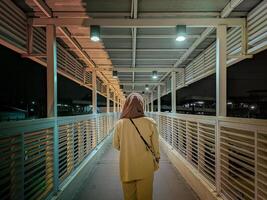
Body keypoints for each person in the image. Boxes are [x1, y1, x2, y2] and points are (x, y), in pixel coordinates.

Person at [113, 92, 160, 200]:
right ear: (141, 105)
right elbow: (156, 146)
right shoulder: (150, 122)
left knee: (129, 197)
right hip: (145, 167)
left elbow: (116, 145)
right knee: (145, 196)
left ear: (126, 105)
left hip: (127, 167)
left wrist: (127, 147)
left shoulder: (120, 124)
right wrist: (157, 157)